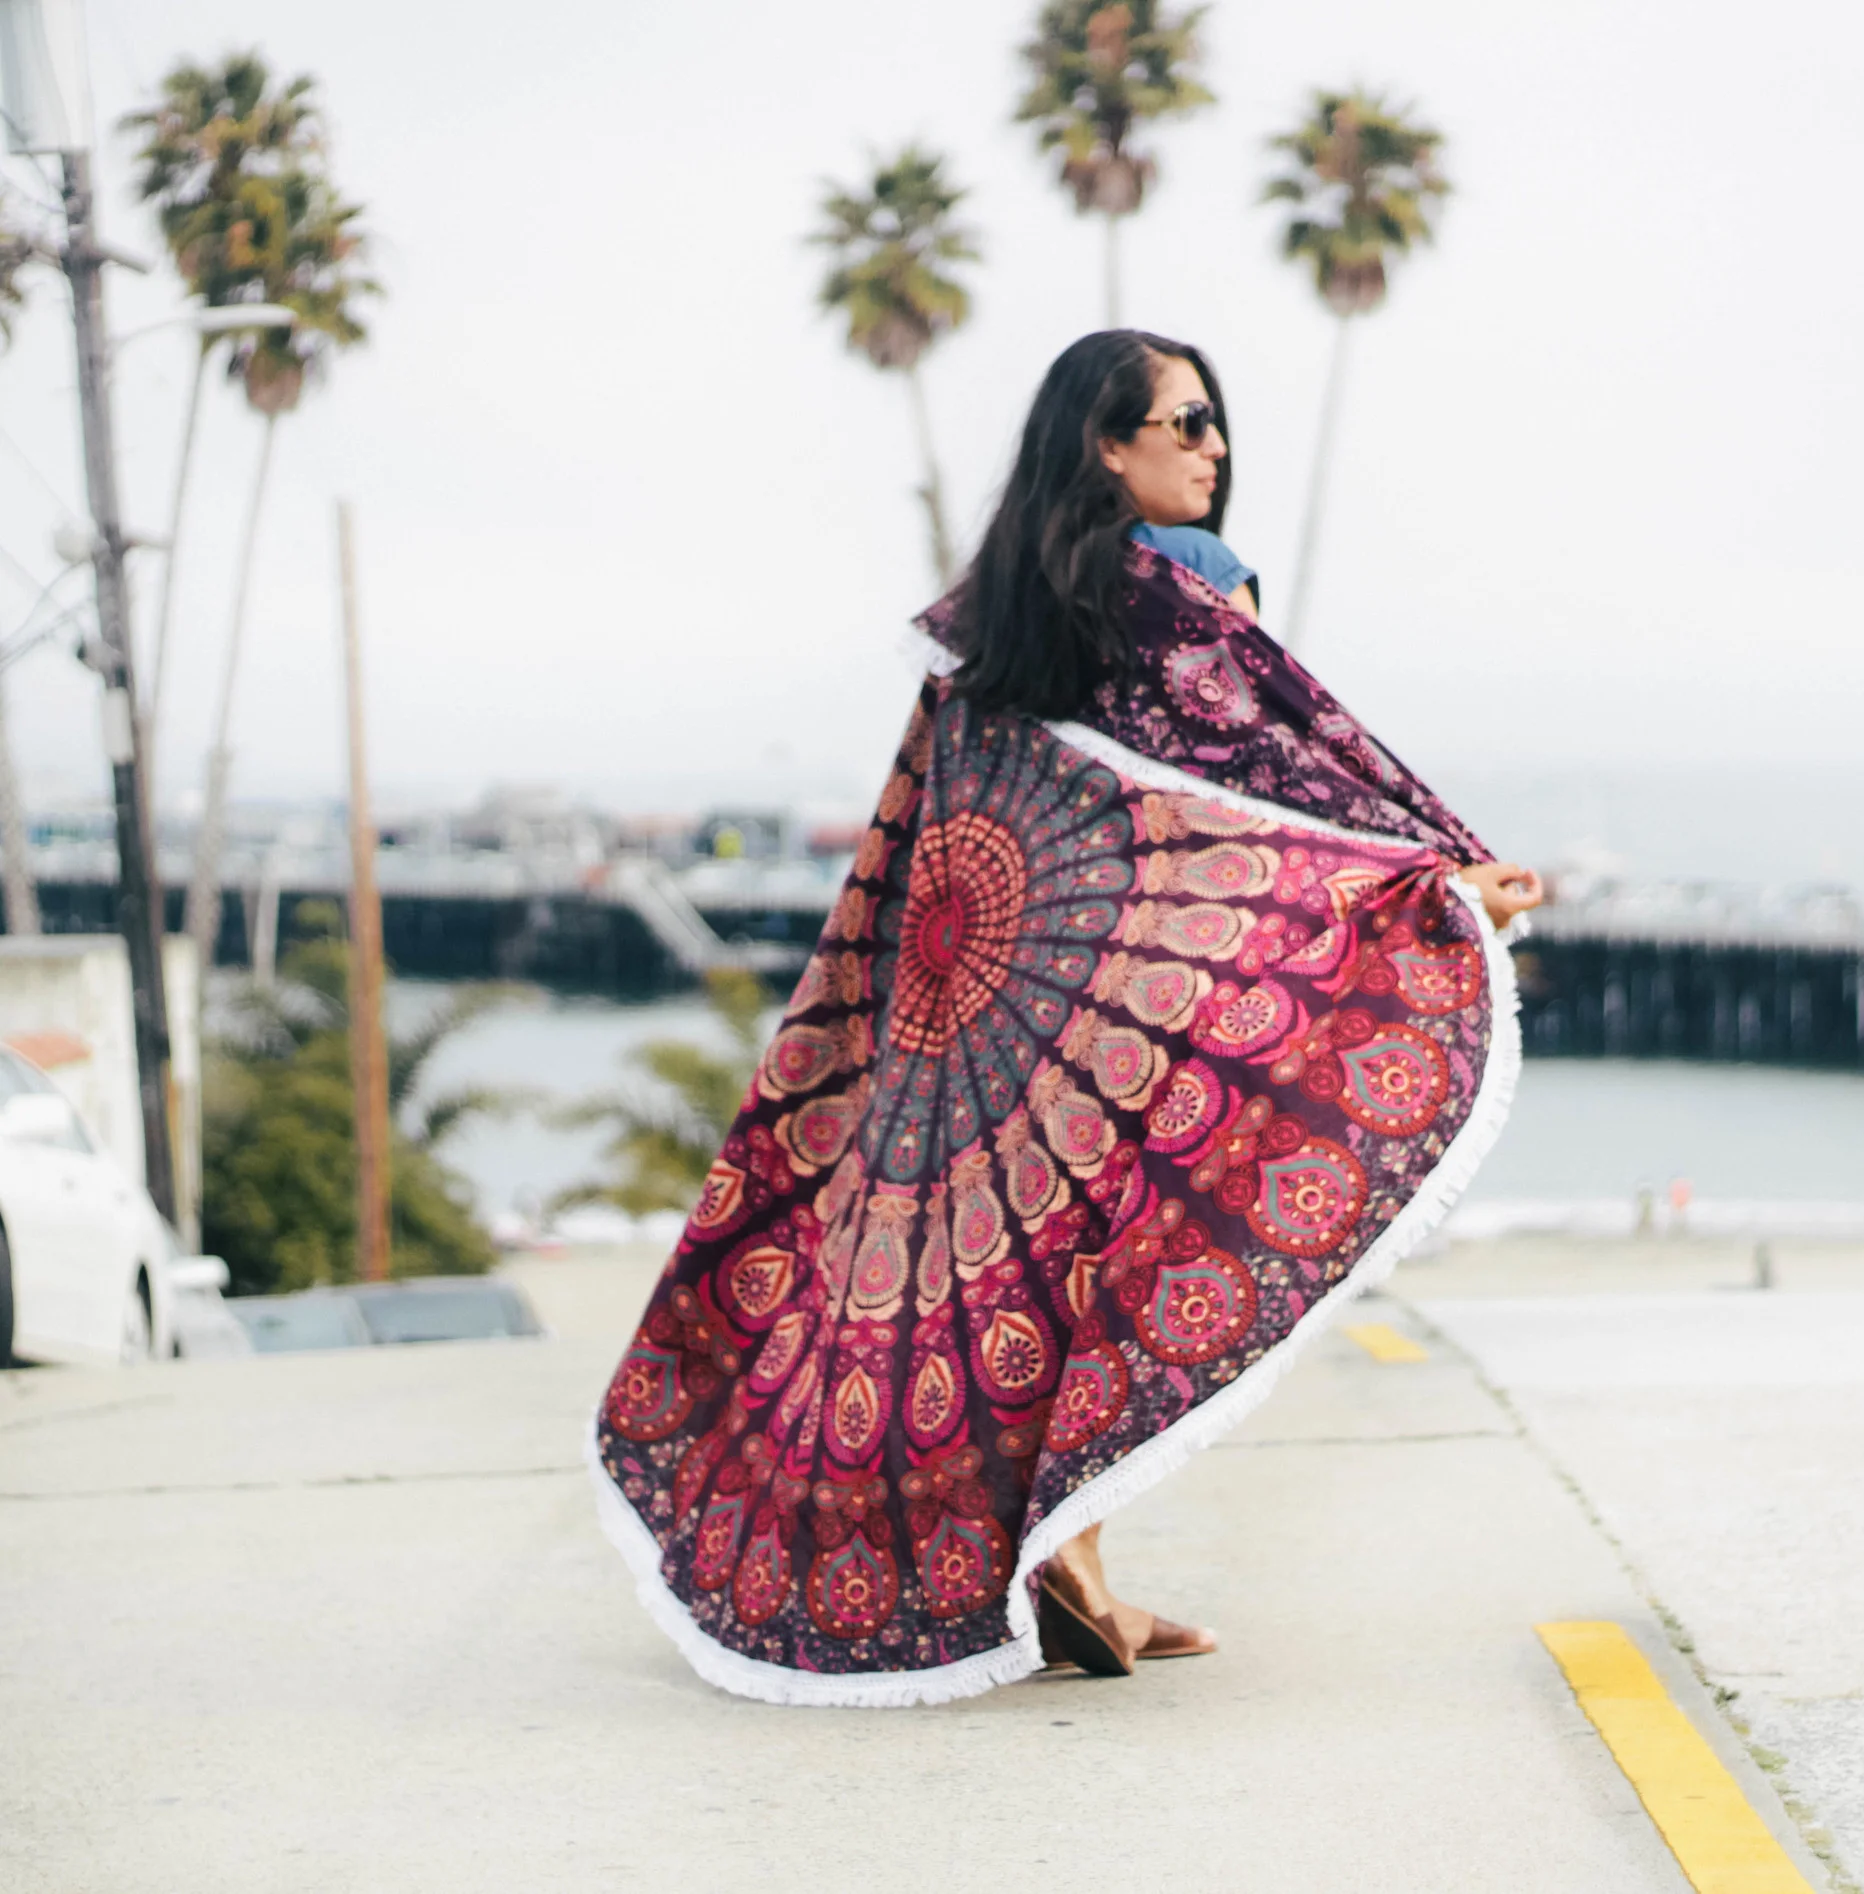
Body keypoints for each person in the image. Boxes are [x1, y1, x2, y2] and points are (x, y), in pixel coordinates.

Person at [589, 329, 1543, 1706]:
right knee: (1101, 1263)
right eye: (1190, 421)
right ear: (1108, 443)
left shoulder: (993, 608)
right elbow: (1282, 779)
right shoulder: (1192, 585)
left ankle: (1077, 1569)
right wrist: (1436, 874)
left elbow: (957, 803)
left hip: (981, 1001)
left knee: (998, 1282)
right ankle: (1072, 1563)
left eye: (1218, 424)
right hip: (1125, 1001)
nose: (1215, 449)